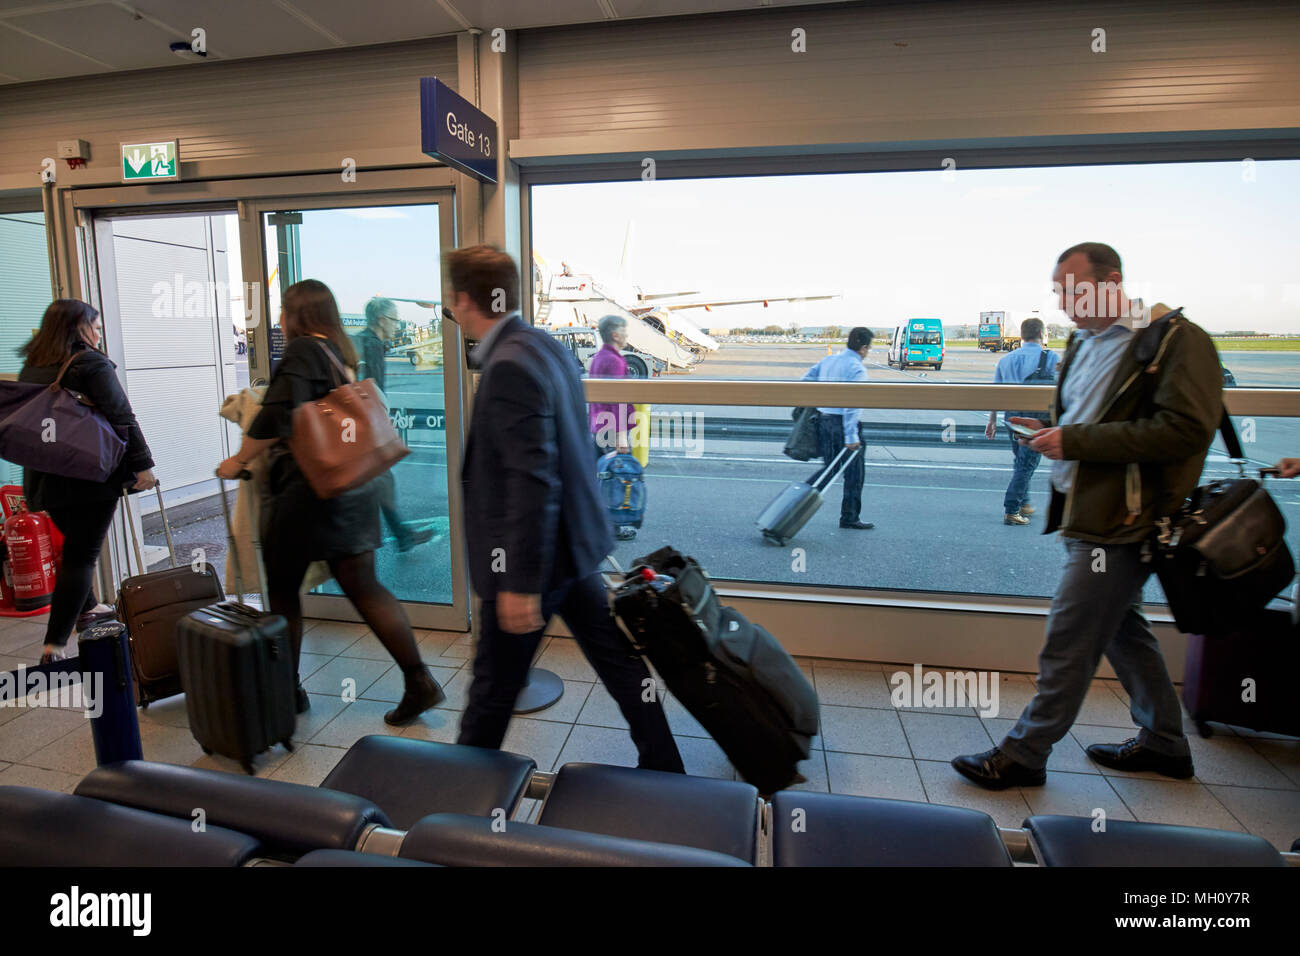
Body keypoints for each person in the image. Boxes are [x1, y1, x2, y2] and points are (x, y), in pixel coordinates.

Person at [953, 242, 1222, 789]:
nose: (1062, 303)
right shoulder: (1082, 342)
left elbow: (1186, 430)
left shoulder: (1174, 339)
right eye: (1058, 291)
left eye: (1072, 290)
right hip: (1085, 509)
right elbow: (1083, 414)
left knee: (1069, 637)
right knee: (1123, 630)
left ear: (1112, 282)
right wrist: (1050, 427)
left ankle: (1025, 753)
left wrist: (1074, 440)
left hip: (1125, 520)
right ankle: (1165, 743)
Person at [448, 244, 683, 772]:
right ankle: (665, 763)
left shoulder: (508, 365)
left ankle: (461, 790)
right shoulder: (544, 345)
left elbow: (532, 480)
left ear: (463, 299)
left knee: (492, 690)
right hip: (573, 546)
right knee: (617, 661)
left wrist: (519, 583)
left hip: (536, 560)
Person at [217, 279, 445, 725]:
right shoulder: (340, 353)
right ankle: (419, 680)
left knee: (283, 592)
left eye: (283, 310)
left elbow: (273, 417)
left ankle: (287, 692)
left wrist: (237, 460)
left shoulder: (303, 351)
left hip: (308, 494)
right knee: (364, 587)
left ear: (296, 315)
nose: (280, 318)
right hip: (352, 486)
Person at [17, 300, 156, 664]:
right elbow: (122, 415)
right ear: (79, 327)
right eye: (95, 326)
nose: (98, 333)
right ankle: (53, 646)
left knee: (76, 548)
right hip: (91, 476)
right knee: (81, 557)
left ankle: (89, 608)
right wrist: (143, 466)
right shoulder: (90, 363)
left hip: (45, 477)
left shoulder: (32, 367)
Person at [354, 297, 434, 553]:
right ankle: (396, 537)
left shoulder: (366, 341)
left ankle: (401, 535)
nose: (397, 325)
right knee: (379, 480)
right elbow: (372, 389)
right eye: (394, 320)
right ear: (381, 320)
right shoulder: (372, 344)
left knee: (380, 480)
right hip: (369, 426)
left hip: (363, 425)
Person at [984, 317, 1058, 525]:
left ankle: (1024, 502)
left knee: (1020, 460)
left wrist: (992, 420)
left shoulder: (1006, 359)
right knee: (1027, 465)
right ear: (1041, 334)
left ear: (1022, 335)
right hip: (1035, 416)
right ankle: (1012, 509)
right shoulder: (1051, 357)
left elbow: (996, 392)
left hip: (1011, 415)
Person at [801, 326, 874, 530]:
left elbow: (806, 380)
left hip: (824, 421)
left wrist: (821, 401)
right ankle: (849, 517)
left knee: (830, 469)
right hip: (843, 424)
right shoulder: (857, 369)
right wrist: (851, 436)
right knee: (854, 474)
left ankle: (797, 501)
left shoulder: (829, 360)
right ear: (863, 348)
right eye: (868, 348)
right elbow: (852, 405)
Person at [588, 314, 639, 540]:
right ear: (616, 335)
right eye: (625, 331)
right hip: (612, 430)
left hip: (598, 427)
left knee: (602, 477)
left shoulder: (599, 358)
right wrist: (621, 436)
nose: (627, 335)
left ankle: (597, 524)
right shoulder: (616, 362)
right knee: (616, 479)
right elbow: (618, 401)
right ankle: (614, 528)